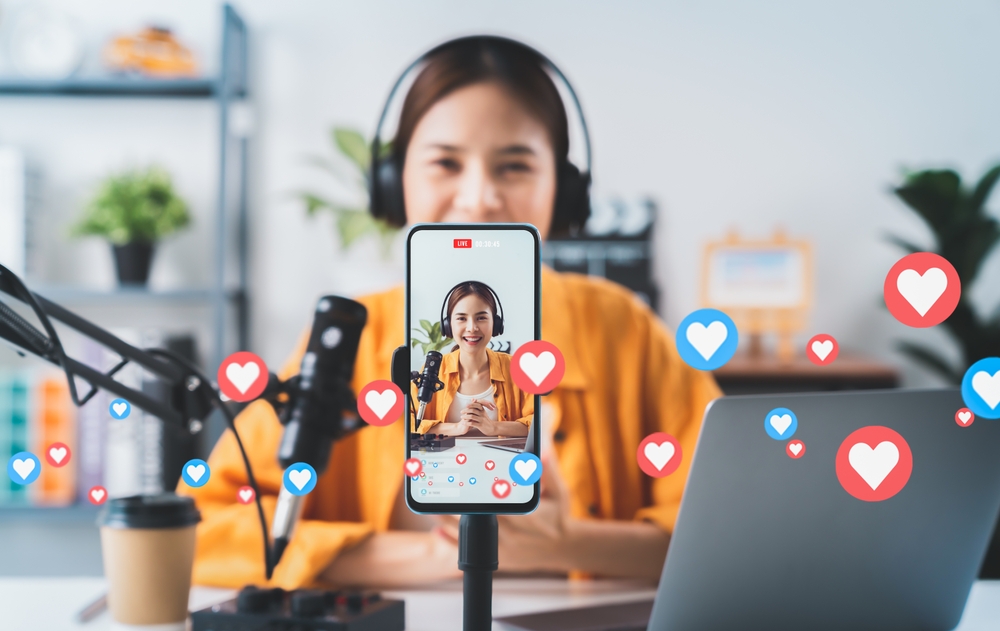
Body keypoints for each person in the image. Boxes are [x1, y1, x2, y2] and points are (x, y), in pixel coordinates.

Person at [180, 36, 721, 589]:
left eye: (514, 166)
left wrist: (568, 542)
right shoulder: (353, 336)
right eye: (445, 162)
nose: (479, 197)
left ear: (563, 189)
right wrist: (431, 557)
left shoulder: (623, 329)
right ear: (394, 184)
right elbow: (201, 528)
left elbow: (727, 535)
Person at [413, 281, 531, 437]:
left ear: (495, 324)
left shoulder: (517, 368)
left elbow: (539, 422)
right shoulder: (434, 369)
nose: (472, 328)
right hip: (447, 461)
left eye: (481, 318)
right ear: (448, 325)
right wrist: (458, 427)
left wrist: (493, 427)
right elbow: (410, 422)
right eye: (461, 318)